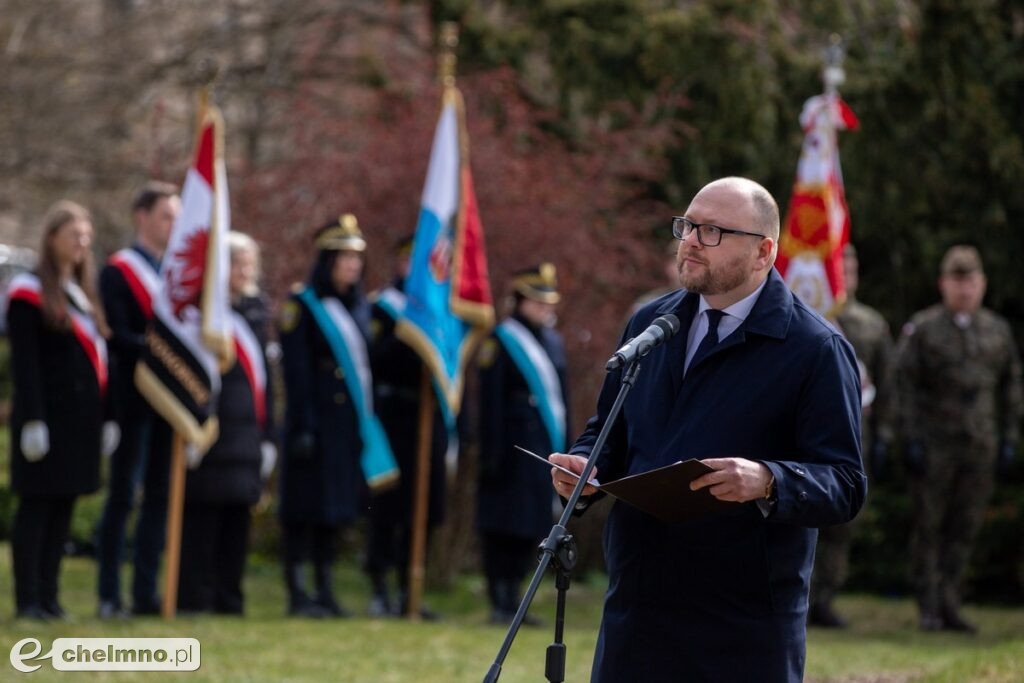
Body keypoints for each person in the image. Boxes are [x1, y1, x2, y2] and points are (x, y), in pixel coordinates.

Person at [549, 177, 865, 682]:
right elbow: (609, 433)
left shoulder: (814, 349)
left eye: (713, 230)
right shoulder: (651, 323)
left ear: (763, 252)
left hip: (740, 625)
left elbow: (846, 484)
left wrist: (768, 479)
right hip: (639, 606)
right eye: (688, 224)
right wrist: (585, 467)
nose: (691, 239)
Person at [895, 245, 1022, 633]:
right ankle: (929, 608)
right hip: (935, 446)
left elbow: (1011, 387)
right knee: (930, 527)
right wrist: (910, 438)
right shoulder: (924, 329)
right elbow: (905, 386)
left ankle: (951, 602)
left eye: (971, 281)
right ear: (943, 284)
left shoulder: (997, 331)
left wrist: (1009, 439)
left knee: (964, 529)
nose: (964, 290)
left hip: (979, 444)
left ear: (982, 284)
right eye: (957, 281)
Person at [7, 201, 119, 619]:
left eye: (86, 237)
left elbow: (101, 364)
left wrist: (108, 416)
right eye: (74, 236)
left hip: (80, 421)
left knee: (63, 508)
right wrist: (33, 418)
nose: (81, 244)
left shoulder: (84, 294)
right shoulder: (27, 290)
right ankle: (28, 600)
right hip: (46, 418)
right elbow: (26, 363)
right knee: (37, 507)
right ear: (52, 238)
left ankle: (50, 598)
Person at [278, 214, 375, 618]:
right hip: (312, 424)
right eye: (345, 257)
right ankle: (298, 594)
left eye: (357, 258)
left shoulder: (358, 308)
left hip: (344, 429)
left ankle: (325, 590)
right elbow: (297, 372)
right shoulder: (301, 306)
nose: (353, 265)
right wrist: (303, 426)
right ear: (328, 260)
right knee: (303, 511)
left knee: (332, 513)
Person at [177, 232, 277, 615]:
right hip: (212, 433)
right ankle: (195, 597)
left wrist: (269, 435)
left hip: (248, 433)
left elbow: (265, 378)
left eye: (250, 264)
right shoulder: (204, 313)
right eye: (238, 263)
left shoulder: (255, 312)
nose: (245, 272)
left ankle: (229, 598)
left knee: (237, 523)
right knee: (203, 522)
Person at [95, 181, 180, 618]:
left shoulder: (178, 275)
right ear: (141, 217)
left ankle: (147, 593)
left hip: (170, 401)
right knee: (123, 497)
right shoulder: (118, 271)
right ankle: (110, 594)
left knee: (160, 499)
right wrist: (162, 353)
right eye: (166, 215)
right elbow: (117, 335)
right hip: (132, 400)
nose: (173, 225)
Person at [809, 242, 896, 628]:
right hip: (809, 433)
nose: (845, 271)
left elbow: (889, 385)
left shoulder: (872, 324)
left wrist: (885, 437)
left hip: (856, 434)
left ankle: (825, 598)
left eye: (851, 265)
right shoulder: (805, 316)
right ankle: (800, 596)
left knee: (843, 523)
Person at [477, 263, 569, 625]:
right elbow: (490, 404)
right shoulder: (500, 341)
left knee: (529, 526)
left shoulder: (553, 342)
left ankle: (516, 599)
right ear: (518, 301)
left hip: (542, 449)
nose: (545, 308)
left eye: (548, 302)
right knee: (501, 525)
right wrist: (491, 454)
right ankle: (497, 598)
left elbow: (561, 399)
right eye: (536, 302)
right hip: (509, 450)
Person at [365, 235, 448, 619]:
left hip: (429, 418)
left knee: (424, 506)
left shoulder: (443, 314)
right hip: (393, 415)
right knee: (388, 505)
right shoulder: (382, 308)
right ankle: (380, 587)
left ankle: (409, 586)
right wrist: (412, 334)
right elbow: (377, 361)